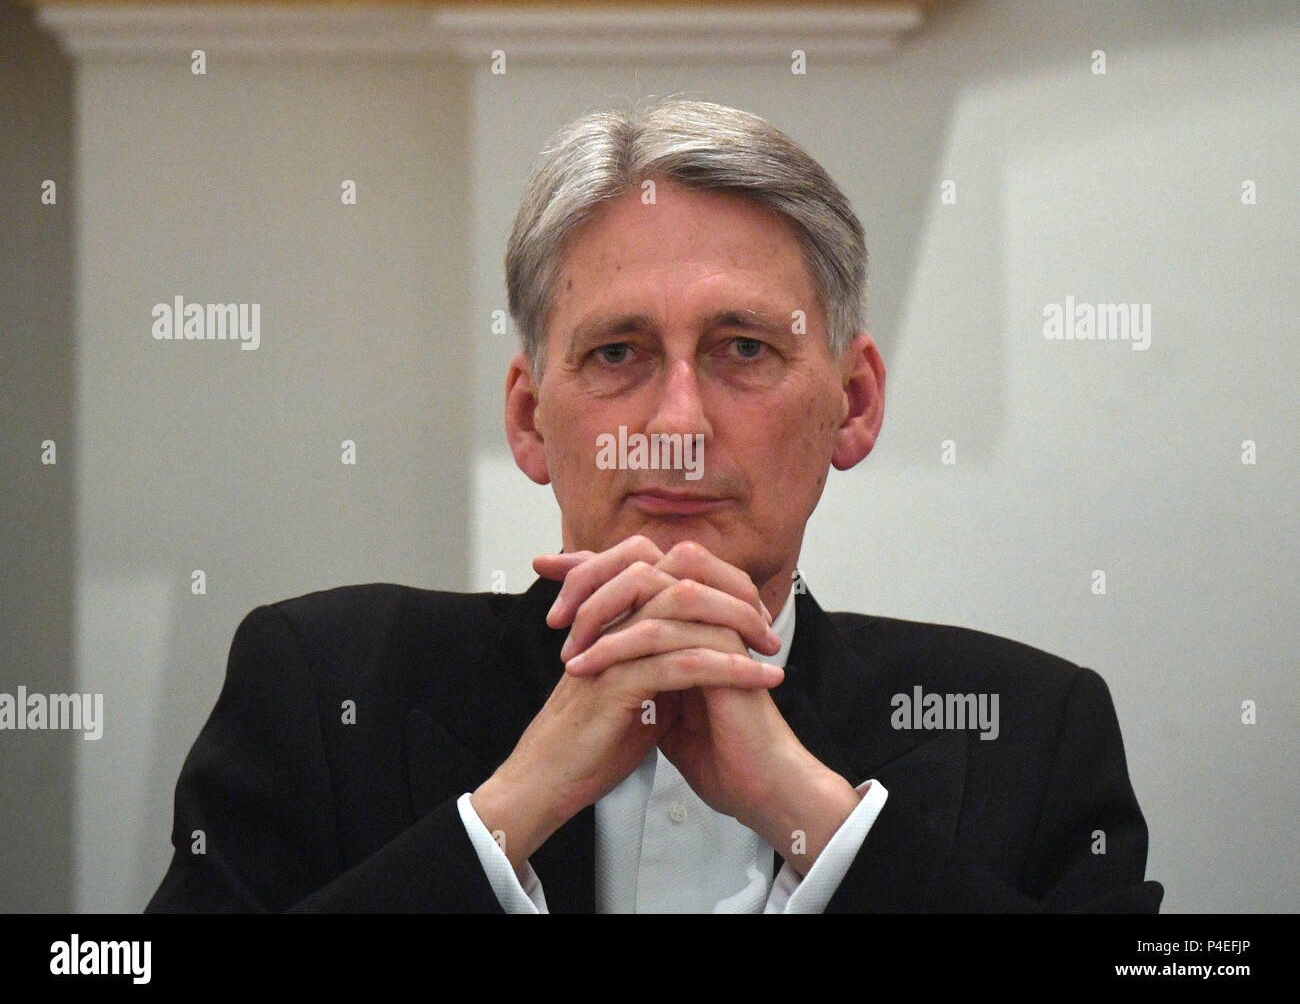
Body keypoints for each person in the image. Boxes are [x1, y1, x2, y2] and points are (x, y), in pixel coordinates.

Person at [146, 97, 1162, 913]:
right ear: (531, 419)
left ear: (851, 404)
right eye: (617, 352)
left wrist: (820, 820)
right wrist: (506, 816)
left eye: (744, 349)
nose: (676, 419)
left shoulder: (1028, 729)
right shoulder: (324, 688)